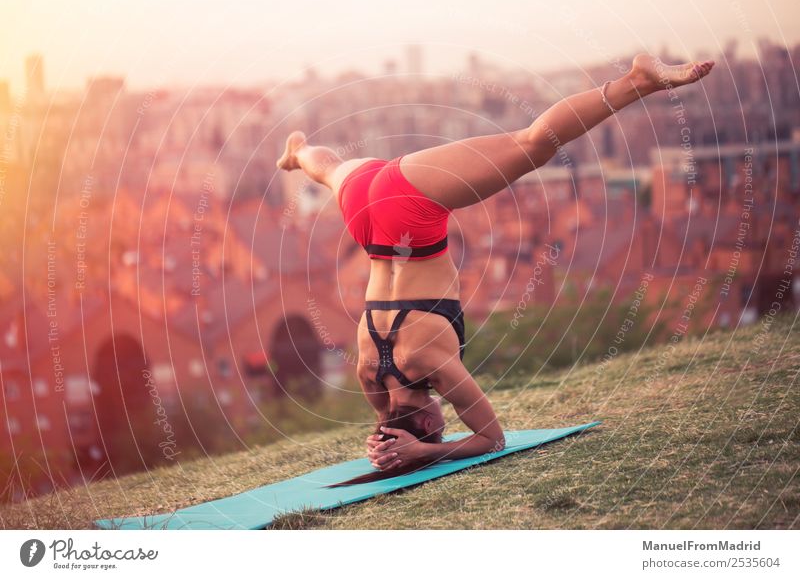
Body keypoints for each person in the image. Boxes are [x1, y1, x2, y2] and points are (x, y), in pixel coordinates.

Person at [276, 54, 714, 483]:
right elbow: (387, 417)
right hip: (364, 214)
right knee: (331, 170)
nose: (445, 415)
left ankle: (638, 80)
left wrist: (425, 452)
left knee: (533, 143)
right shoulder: (369, 373)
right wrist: (386, 443)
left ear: (428, 424)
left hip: (408, 211)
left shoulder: (429, 362)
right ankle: (299, 153)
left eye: (439, 423)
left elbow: (491, 438)